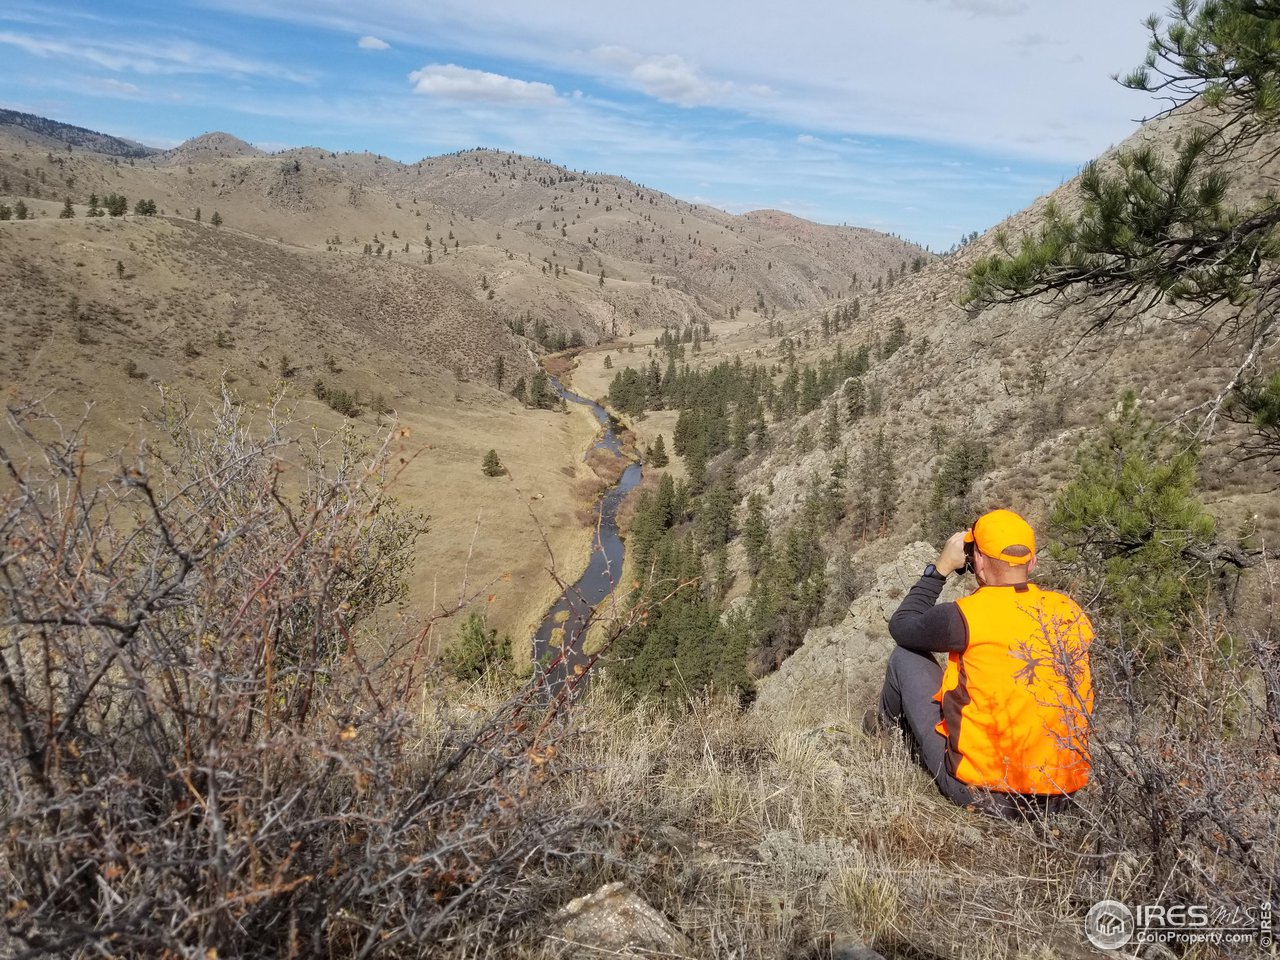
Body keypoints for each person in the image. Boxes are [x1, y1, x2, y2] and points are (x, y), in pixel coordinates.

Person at [867, 509, 1093, 817]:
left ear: (980, 563)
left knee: (904, 656)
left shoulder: (965, 616)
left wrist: (941, 569)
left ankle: (880, 736)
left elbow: (902, 626)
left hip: (986, 794)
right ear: (1032, 562)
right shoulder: (1069, 612)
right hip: (1060, 795)